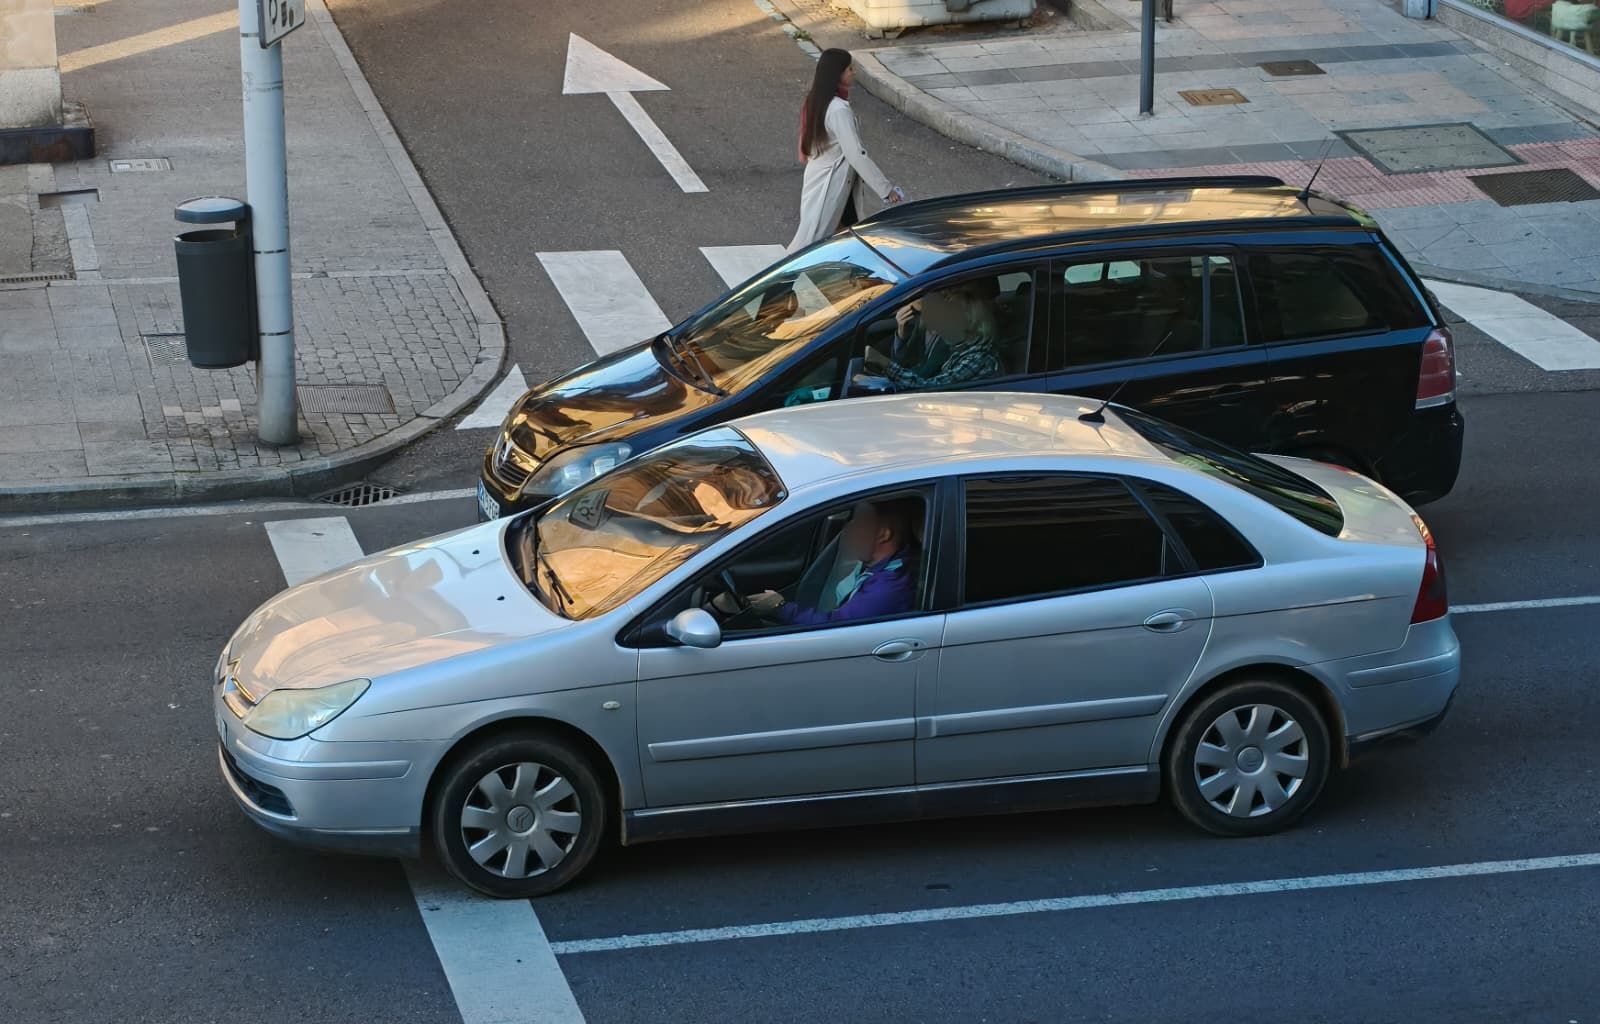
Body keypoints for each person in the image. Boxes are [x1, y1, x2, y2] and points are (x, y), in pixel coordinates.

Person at [720, 498, 919, 626]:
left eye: (859, 521)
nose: (848, 528)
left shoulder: (889, 588)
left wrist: (780, 607)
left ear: (884, 535)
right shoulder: (874, 564)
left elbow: (835, 627)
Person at [785, 49, 906, 254]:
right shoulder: (838, 109)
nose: (854, 72)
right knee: (809, 247)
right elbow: (856, 154)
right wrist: (886, 190)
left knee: (843, 242)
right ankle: (785, 283)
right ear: (837, 74)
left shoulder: (817, 100)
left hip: (827, 181)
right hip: (830, 185)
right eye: (850, 68)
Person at [855, 282, 1004, 392]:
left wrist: (884, 363)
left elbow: (928, 387)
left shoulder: (977, 359)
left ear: (970, 323)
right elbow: (908, 366)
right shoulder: (961, 348)